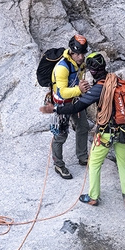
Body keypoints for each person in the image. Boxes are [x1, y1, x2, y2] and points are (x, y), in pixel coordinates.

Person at [40, 52, 125, 211]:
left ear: (92, 71)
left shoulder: (99, 88)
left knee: (94, 164)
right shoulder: (116, 80)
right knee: (123, 163)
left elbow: (77, 106)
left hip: (107, 133)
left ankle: (93, 197)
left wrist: (55, 108)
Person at [50, 34, 90, 180]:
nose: (81, 57)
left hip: (75, 101)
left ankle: (82, 156)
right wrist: (80, 90)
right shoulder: (62, 68)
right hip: (62, 104)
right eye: (78, 54)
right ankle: (58, 164)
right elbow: (62, 92)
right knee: (60, 135)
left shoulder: (80, 63)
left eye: (83, 53)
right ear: (71, 52)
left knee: (83, 126)